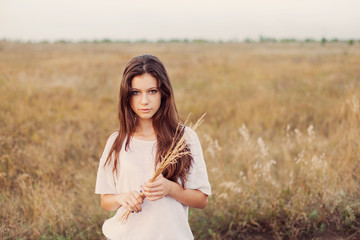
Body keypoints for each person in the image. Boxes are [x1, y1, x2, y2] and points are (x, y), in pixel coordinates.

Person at [95, 54, 211, 240]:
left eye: (152, 91)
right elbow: (106, 201)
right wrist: (121, 198)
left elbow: (202, 200)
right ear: (127, 96)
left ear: (163, 93)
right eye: (136, 92)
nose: (144, 101)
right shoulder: (117, 141)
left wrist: (170, 189)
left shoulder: (184, 138)